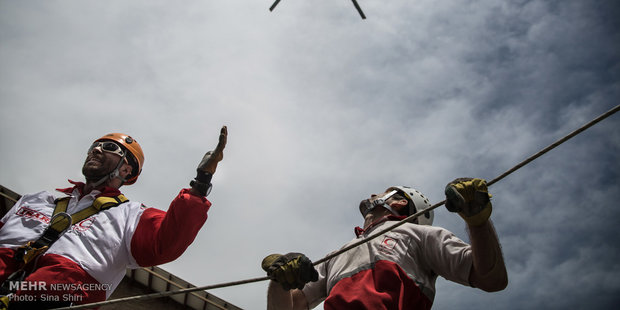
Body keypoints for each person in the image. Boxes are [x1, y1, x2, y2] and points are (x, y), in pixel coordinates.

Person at [0, 126, 228, 309]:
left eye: (108, 147)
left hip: (55, 296)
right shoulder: (36, 199)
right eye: (94, 146)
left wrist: (201, 182)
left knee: (57, 281)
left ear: (126, 170)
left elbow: (168, 242)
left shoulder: (130, 215)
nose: (96, 150)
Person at [261, 178, 508, 310]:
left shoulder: (419, 235)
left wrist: (478, 222)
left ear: (401, 202)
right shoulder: (338, 254)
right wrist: (280, 281)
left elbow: (492, 279)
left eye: (382, 192)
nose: (372, 196)